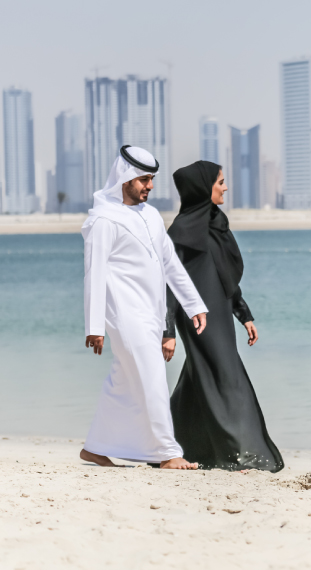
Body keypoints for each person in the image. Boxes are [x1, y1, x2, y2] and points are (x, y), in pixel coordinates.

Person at [81, 145, 208, 469]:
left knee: (122, 380)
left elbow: (170, 264)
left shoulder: (151, 216)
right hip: (124, 315)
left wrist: (194, 305)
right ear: (125, 178)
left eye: (151, 179)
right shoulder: (103, 220)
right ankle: (168, 453)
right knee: (152, 376)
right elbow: (93, 274)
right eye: (143, 180)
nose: (149, 186)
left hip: (150, 313)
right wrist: (94, 327)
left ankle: (95, 447)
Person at [163, 161, 284, 472]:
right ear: (204, 188)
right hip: (196, 319)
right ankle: (236, 454)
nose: (225, 187)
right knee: (225, 377)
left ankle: (171, 444)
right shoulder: (180, 231)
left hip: (220, 313)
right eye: (220, 182)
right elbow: (169, 285)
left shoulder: (217, 223)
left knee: (199, 379)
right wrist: (168, 331)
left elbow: (225, 276)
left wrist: (244, 315)